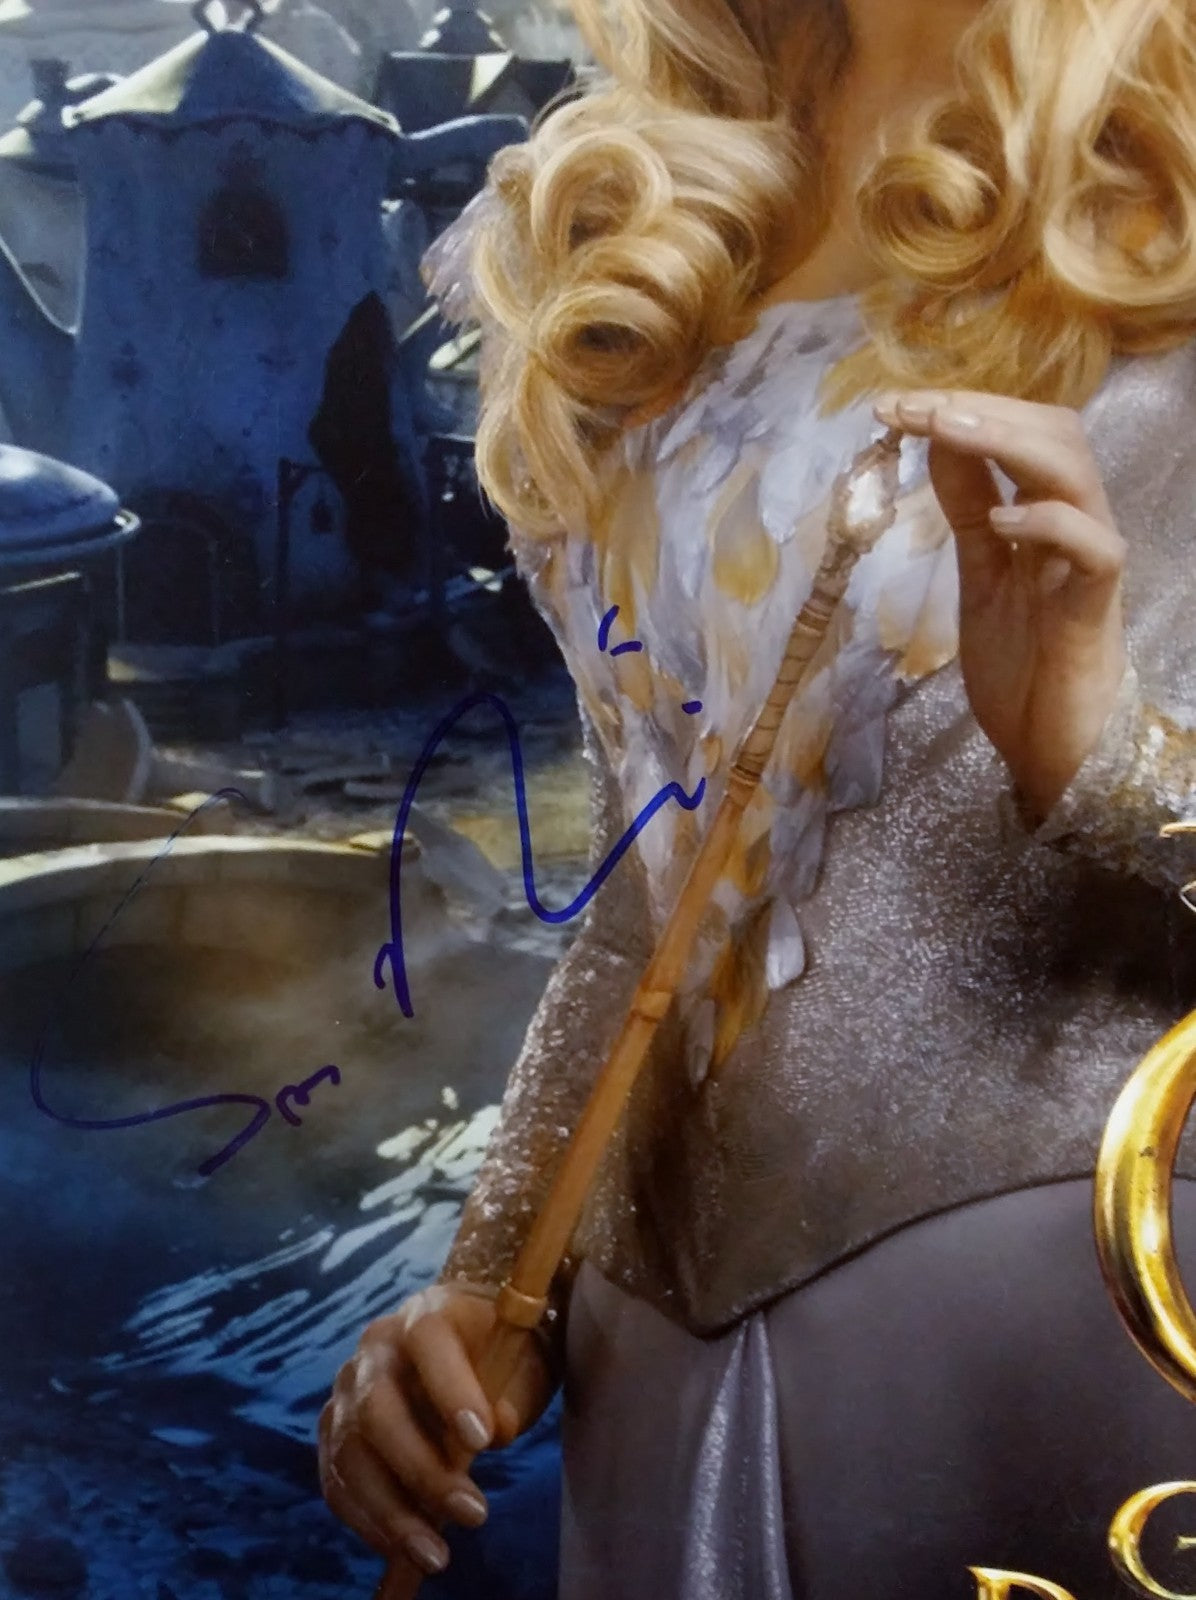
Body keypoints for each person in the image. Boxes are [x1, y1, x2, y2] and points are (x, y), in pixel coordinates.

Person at [319, 1, 1196, 1595]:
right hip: (651, 1364)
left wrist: (1100, 757)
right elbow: (655, 875)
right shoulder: (652, 194)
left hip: (1055, 1328)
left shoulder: (1177, 184)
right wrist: (496, 1284)